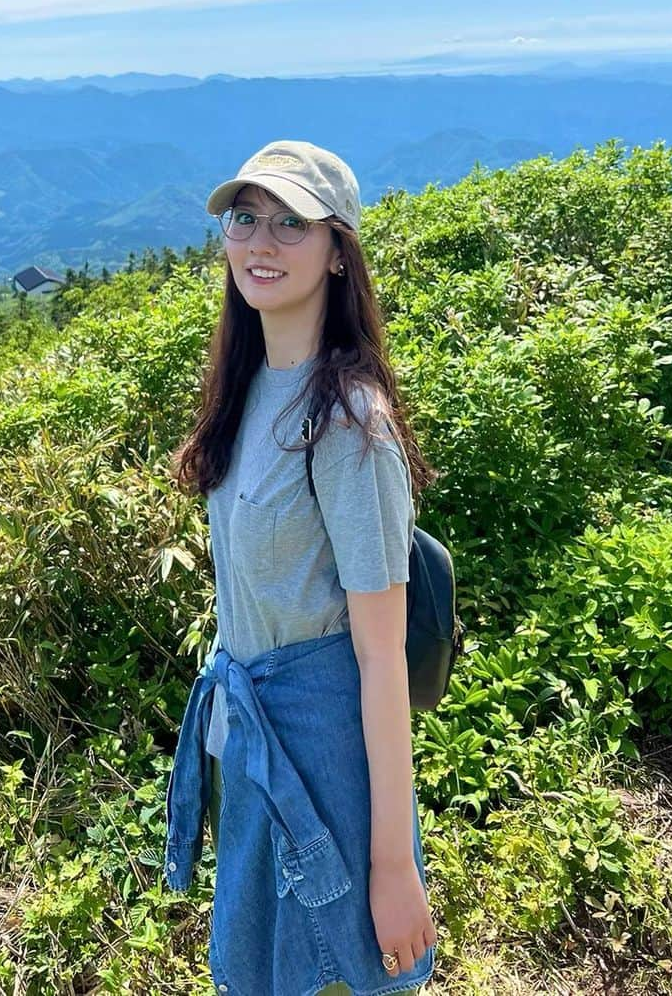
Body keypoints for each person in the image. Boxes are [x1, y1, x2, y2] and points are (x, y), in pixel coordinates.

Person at [163, 139, 439, 996]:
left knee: (333, 971)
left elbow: (380, 655)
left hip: (323, 746)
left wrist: (394, 867)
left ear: (336, 251)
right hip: (254, 737)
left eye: (291, 223)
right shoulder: (249, 388)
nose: (261, 243)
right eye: (245, 219)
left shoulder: (348, 419)